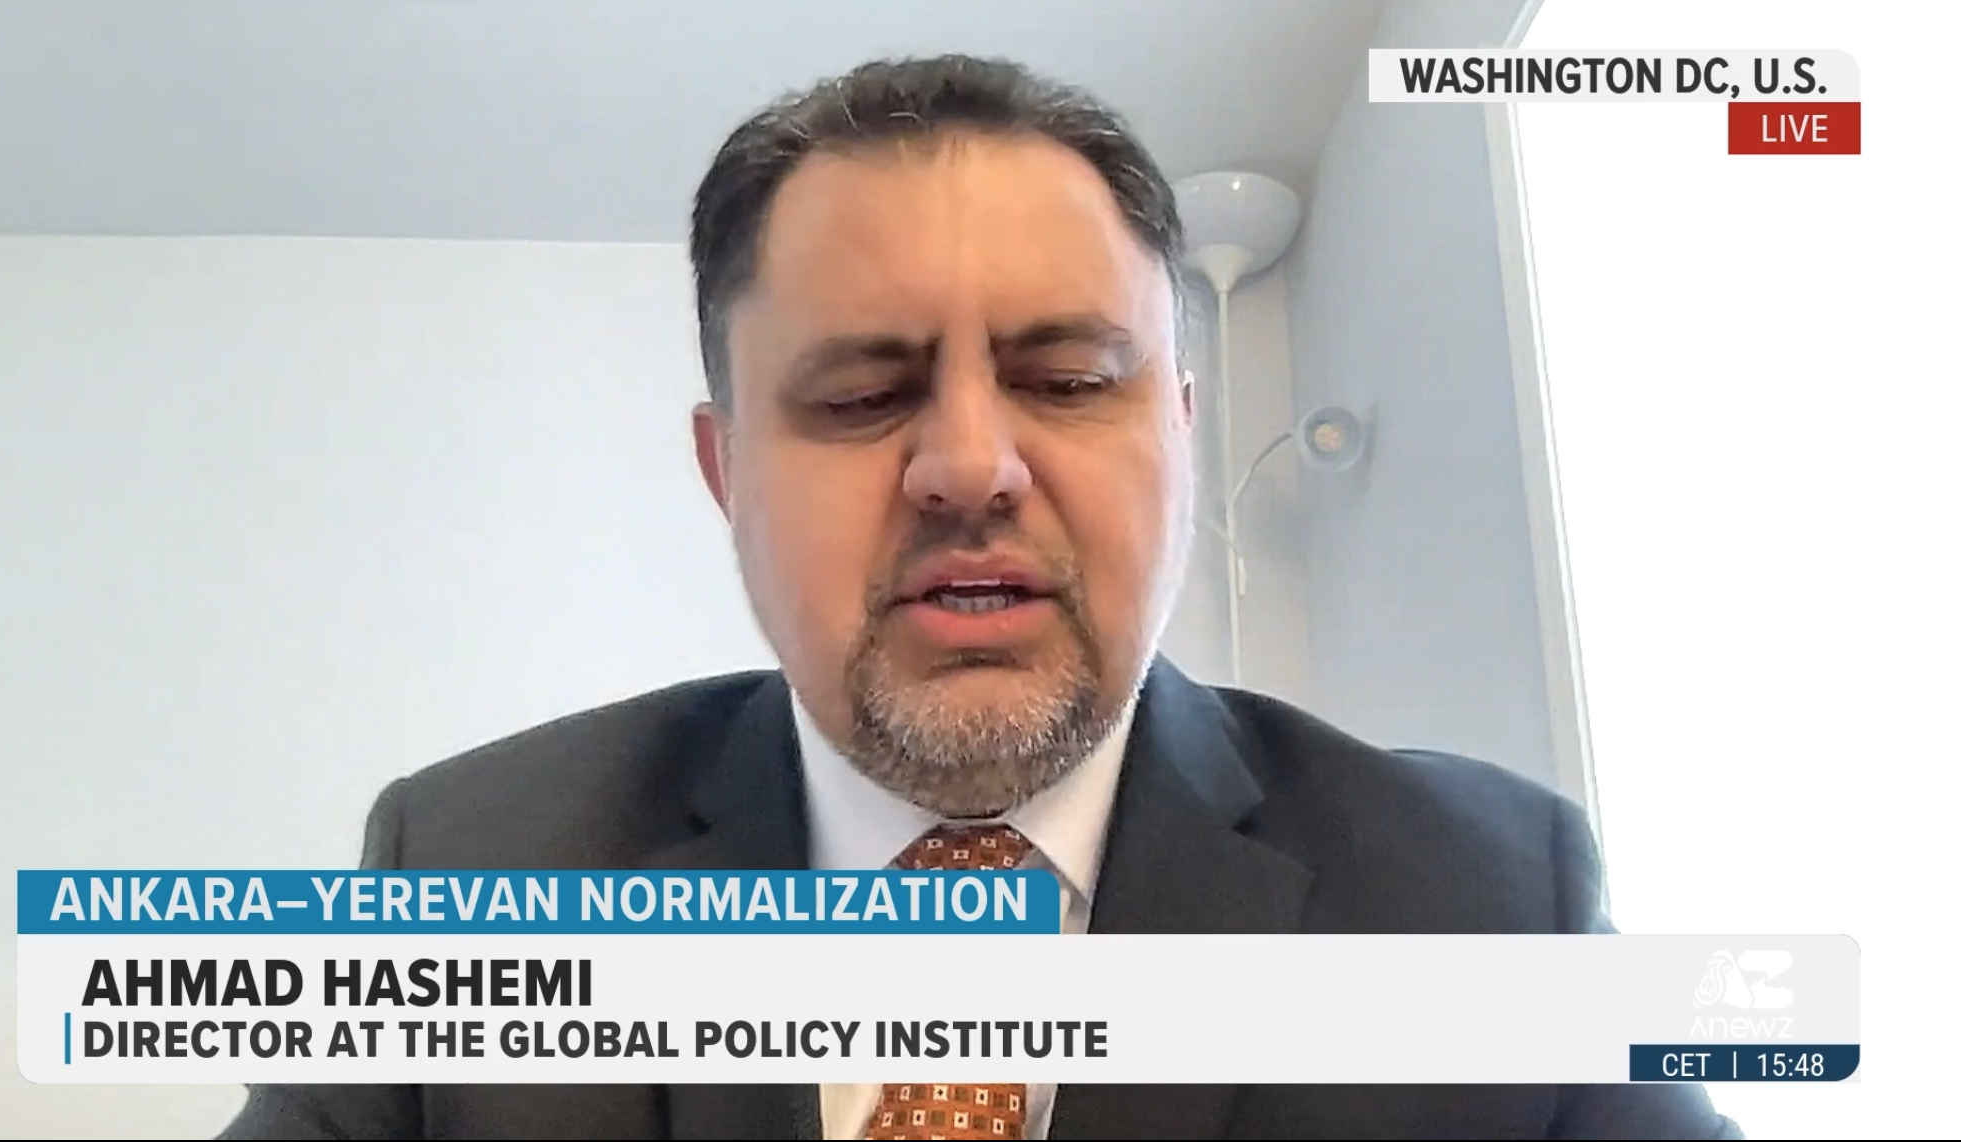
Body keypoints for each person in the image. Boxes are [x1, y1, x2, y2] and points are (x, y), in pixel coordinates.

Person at [224, 54, 1738, 1141]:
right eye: (860, 394)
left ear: (1182, 437)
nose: (967, 466)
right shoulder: (472, 871)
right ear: (725, 471)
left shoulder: (1491, 902)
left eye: (1068, 379)